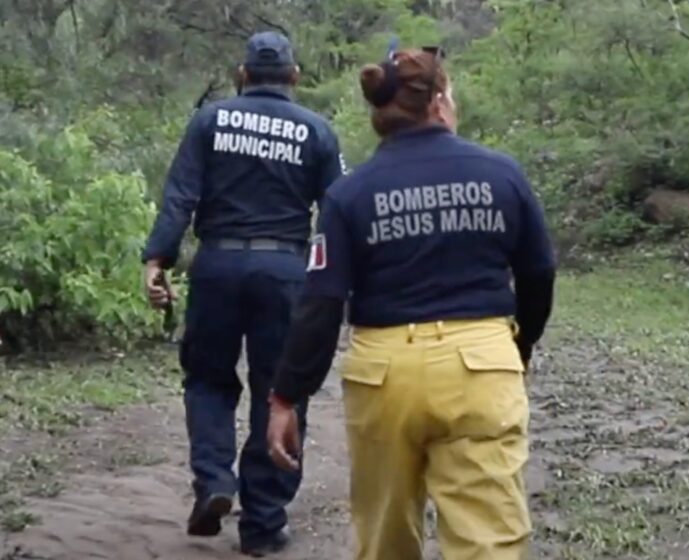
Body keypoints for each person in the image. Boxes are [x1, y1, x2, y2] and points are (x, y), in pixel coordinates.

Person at [265, 43, 556, 560]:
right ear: (440, 101)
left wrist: (287, 395)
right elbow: (538, 272)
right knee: (489, 538)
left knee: (385, 536)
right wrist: (521, 345)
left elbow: (322, 303)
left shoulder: (350, 194)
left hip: (384, 374)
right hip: (481, 366)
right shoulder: (501, 174)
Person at [141, 30, 345, 557]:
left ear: (243, 74)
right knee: (280, 390)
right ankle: (263, 523)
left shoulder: (211, 119)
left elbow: (180, 195)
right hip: (284, 268)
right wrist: (334, 280)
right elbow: (337, 211)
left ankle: (214, 481)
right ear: (295, 77)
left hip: (218, 265)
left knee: (207, 378)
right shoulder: (317, 130)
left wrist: (157, 259)